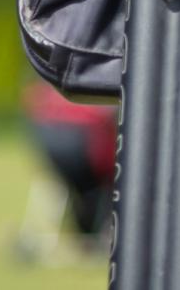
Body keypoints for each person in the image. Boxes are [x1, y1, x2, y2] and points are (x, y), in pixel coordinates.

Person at [24, 81, 117, 240]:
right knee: (102, 186)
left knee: (84, 190)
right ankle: (98, 231)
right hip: (86, 150)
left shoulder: (60, 79)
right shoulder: (102, 82)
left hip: (51, 146)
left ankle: (87, 231)